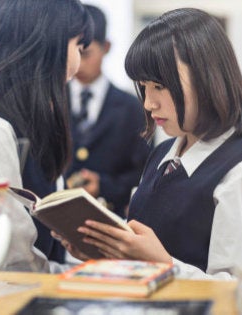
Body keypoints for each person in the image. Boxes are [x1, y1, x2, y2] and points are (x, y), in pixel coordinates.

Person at [57, 8, 242, 280]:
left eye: (159, 87)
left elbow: (241, 291)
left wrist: (163, 264)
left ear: (207, 79)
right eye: (144, 87)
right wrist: (108, 253)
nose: (148, 103)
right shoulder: (163, 155)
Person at [0, 0, 92, 272]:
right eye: (78, 47)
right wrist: (83, 277)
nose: (77, 63)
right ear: (48, 45)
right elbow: (9, 263)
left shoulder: (25, 122)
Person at [66, 5, 150, 217]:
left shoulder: (133, 108)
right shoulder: (51, 101)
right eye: (72, 52)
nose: (78, 63)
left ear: (106, 47)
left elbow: (143, 174)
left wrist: (103, 185)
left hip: (110, 220)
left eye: (85, 54)